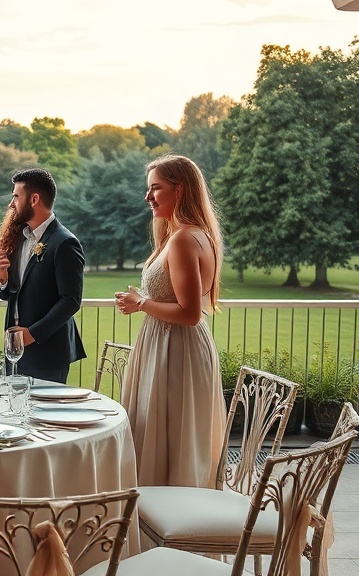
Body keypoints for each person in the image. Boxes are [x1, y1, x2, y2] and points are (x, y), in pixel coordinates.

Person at [115, 154, 226, 488]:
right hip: (166, 346)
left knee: (170, 435)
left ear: (179, 190)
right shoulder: (189, 235)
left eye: (156, 188)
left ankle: (163, 514)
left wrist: (142, 303)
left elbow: (190, 314)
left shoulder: (183, 239)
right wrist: (143, 304)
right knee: (165, 434)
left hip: (175, 350)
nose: (148, 197)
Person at [0, 168, 85, 383]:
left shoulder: (65, 243)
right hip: (14, 345)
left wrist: (31, 334)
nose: (11, 203)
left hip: (47, 351)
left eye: (16, 196)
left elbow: (70, 301)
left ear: (34, 199)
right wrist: (3, 278)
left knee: (43, 415)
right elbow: (10, 293)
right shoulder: (19, 238)